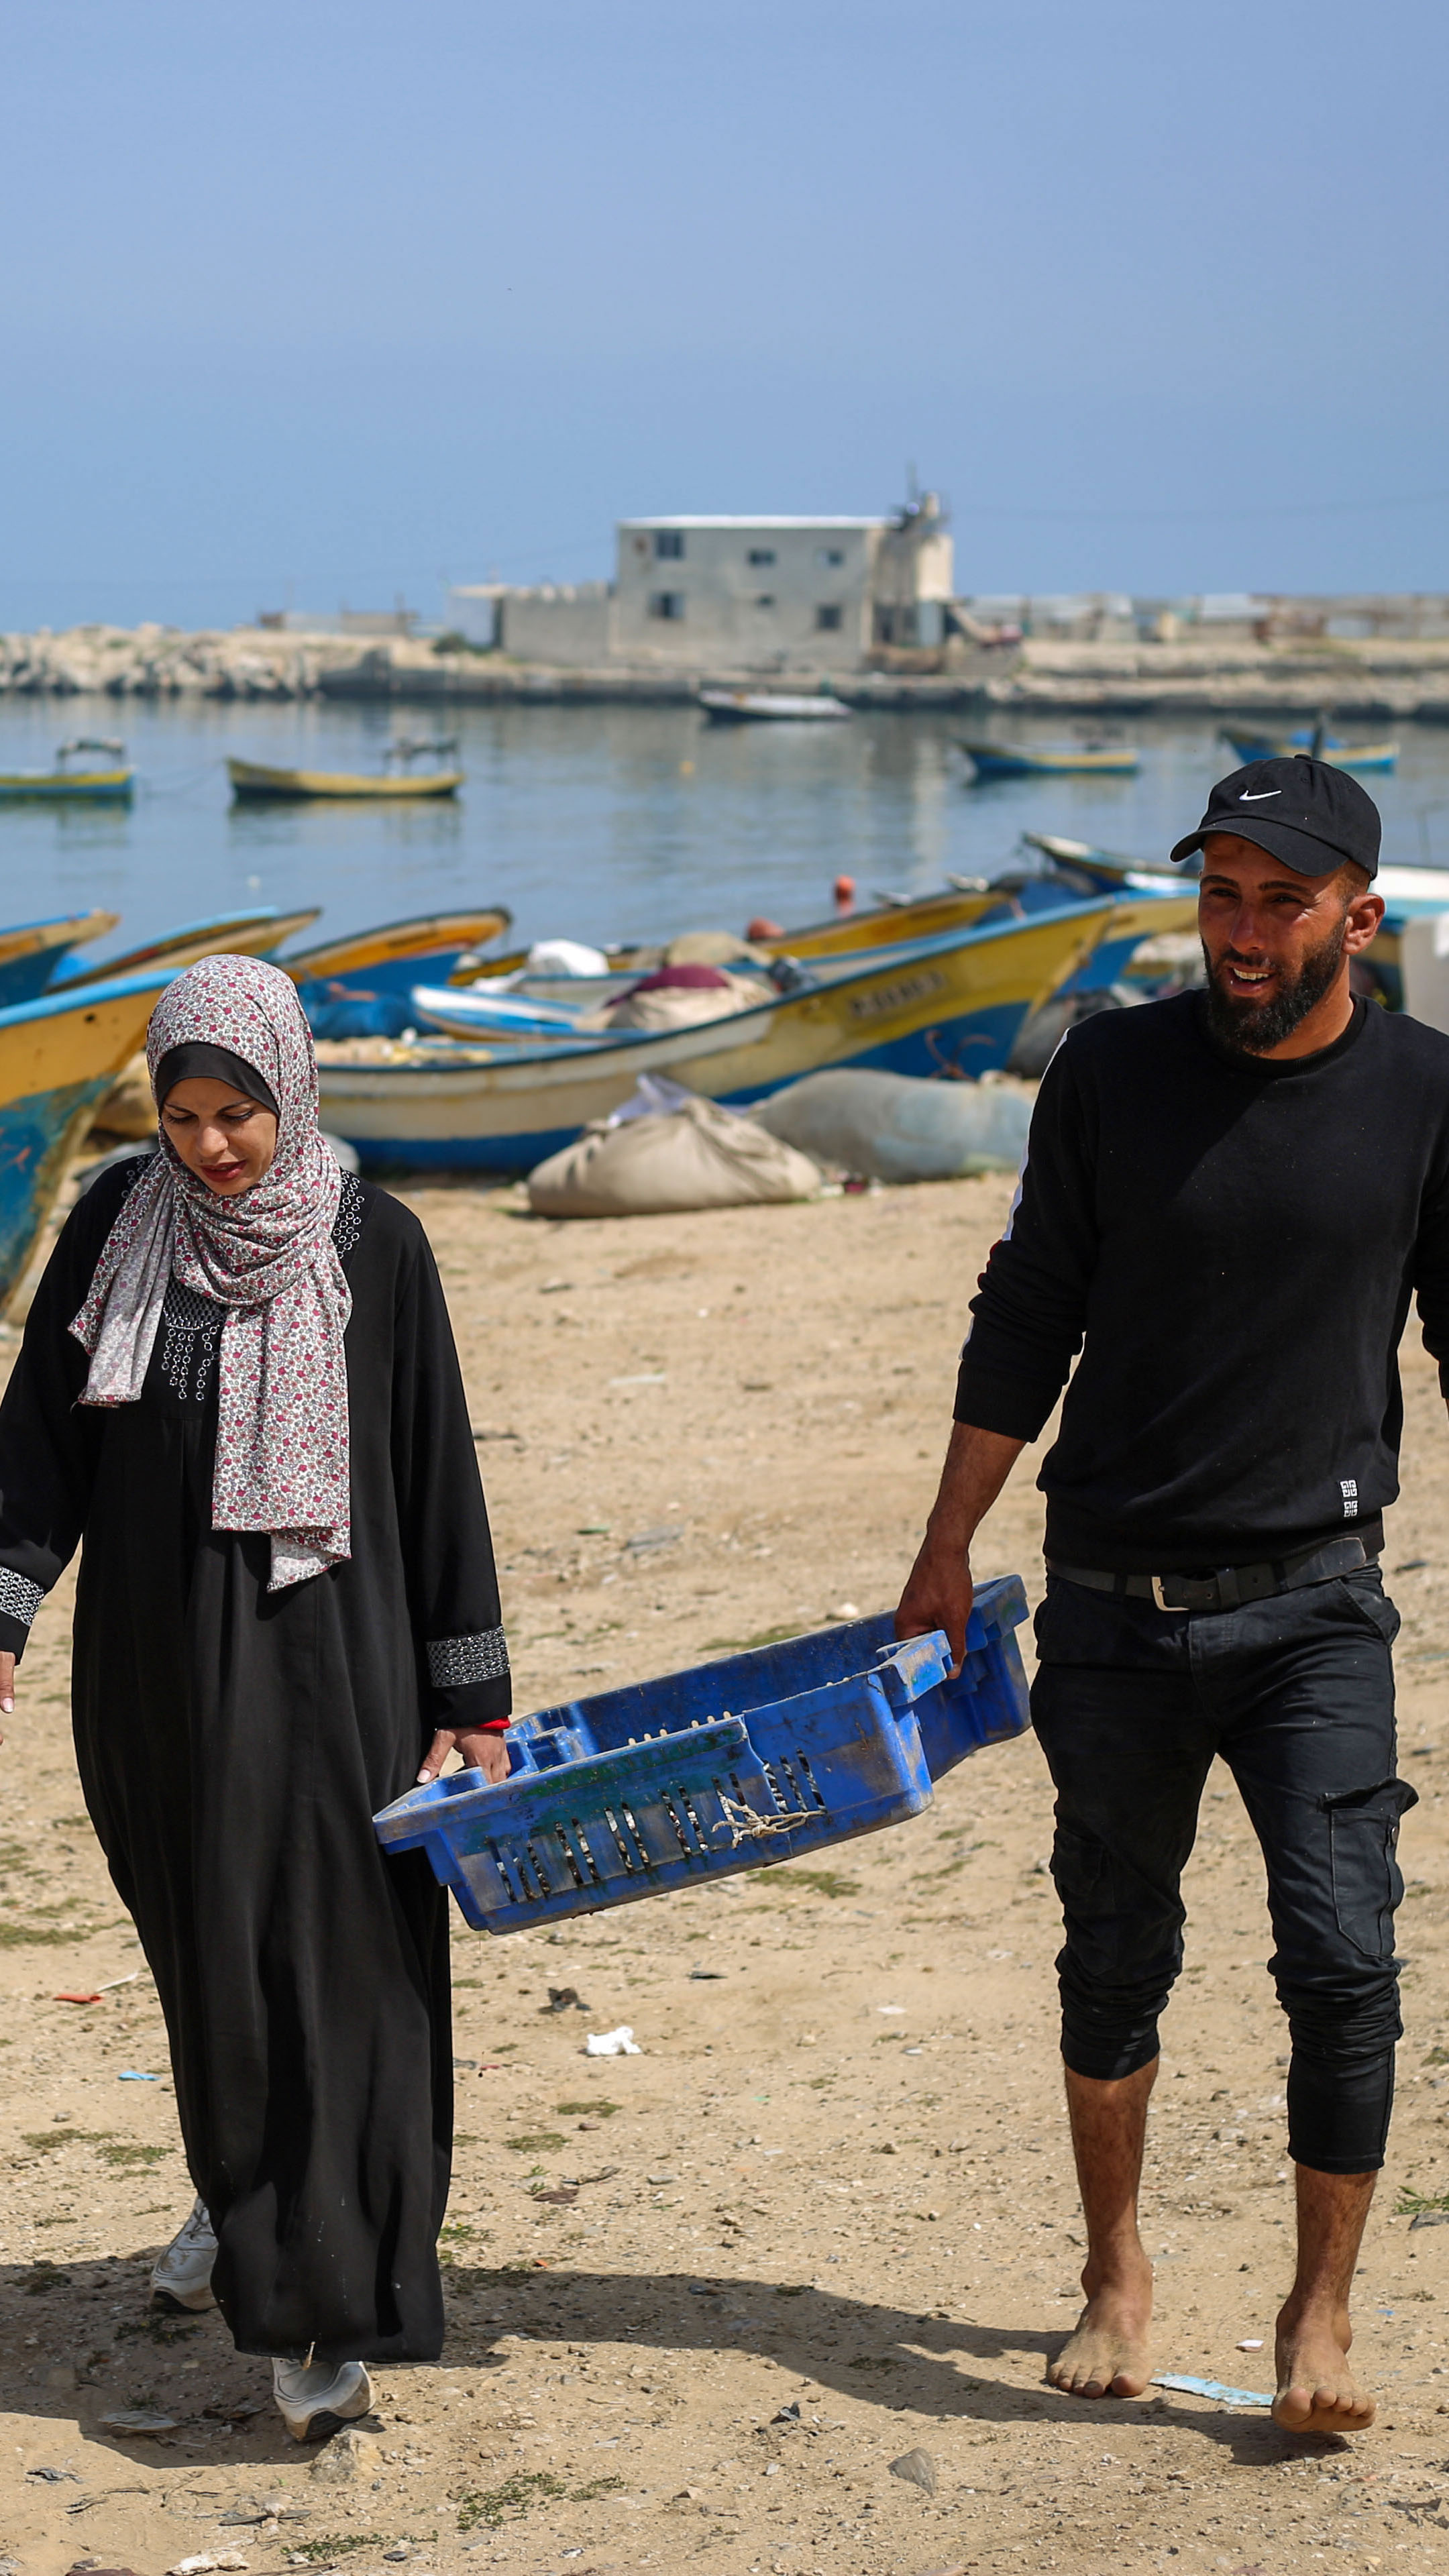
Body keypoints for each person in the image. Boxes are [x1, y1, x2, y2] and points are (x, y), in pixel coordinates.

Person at [897, 755, 1449, 2438]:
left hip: (1317, 1605)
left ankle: (1321, 2310)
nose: (1246, 930)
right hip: (1114, 1606)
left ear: (1360, 914)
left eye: (1283, 900)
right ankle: (1116, 2271)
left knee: (1345, 1957)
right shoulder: (1108, 1072)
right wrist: (940, 1553)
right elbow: (1027, 1311)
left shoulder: (1427, 1093)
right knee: (1112, 1952)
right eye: (1222, 894)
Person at [0, 954, 511, 2439]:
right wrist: (10, 1604)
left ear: (293, 1089)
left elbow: (436, 1475)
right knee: (218, 1960)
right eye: (186, 1116)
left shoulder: (379, 1244)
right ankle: (246, 2201)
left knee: (348, 1966)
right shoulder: (114, 1227)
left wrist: (469, 1691)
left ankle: (323, 2305)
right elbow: (41, 1440)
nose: (215, 1145)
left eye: (241, 1113)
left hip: (339, 1666)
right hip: (160, 1677)